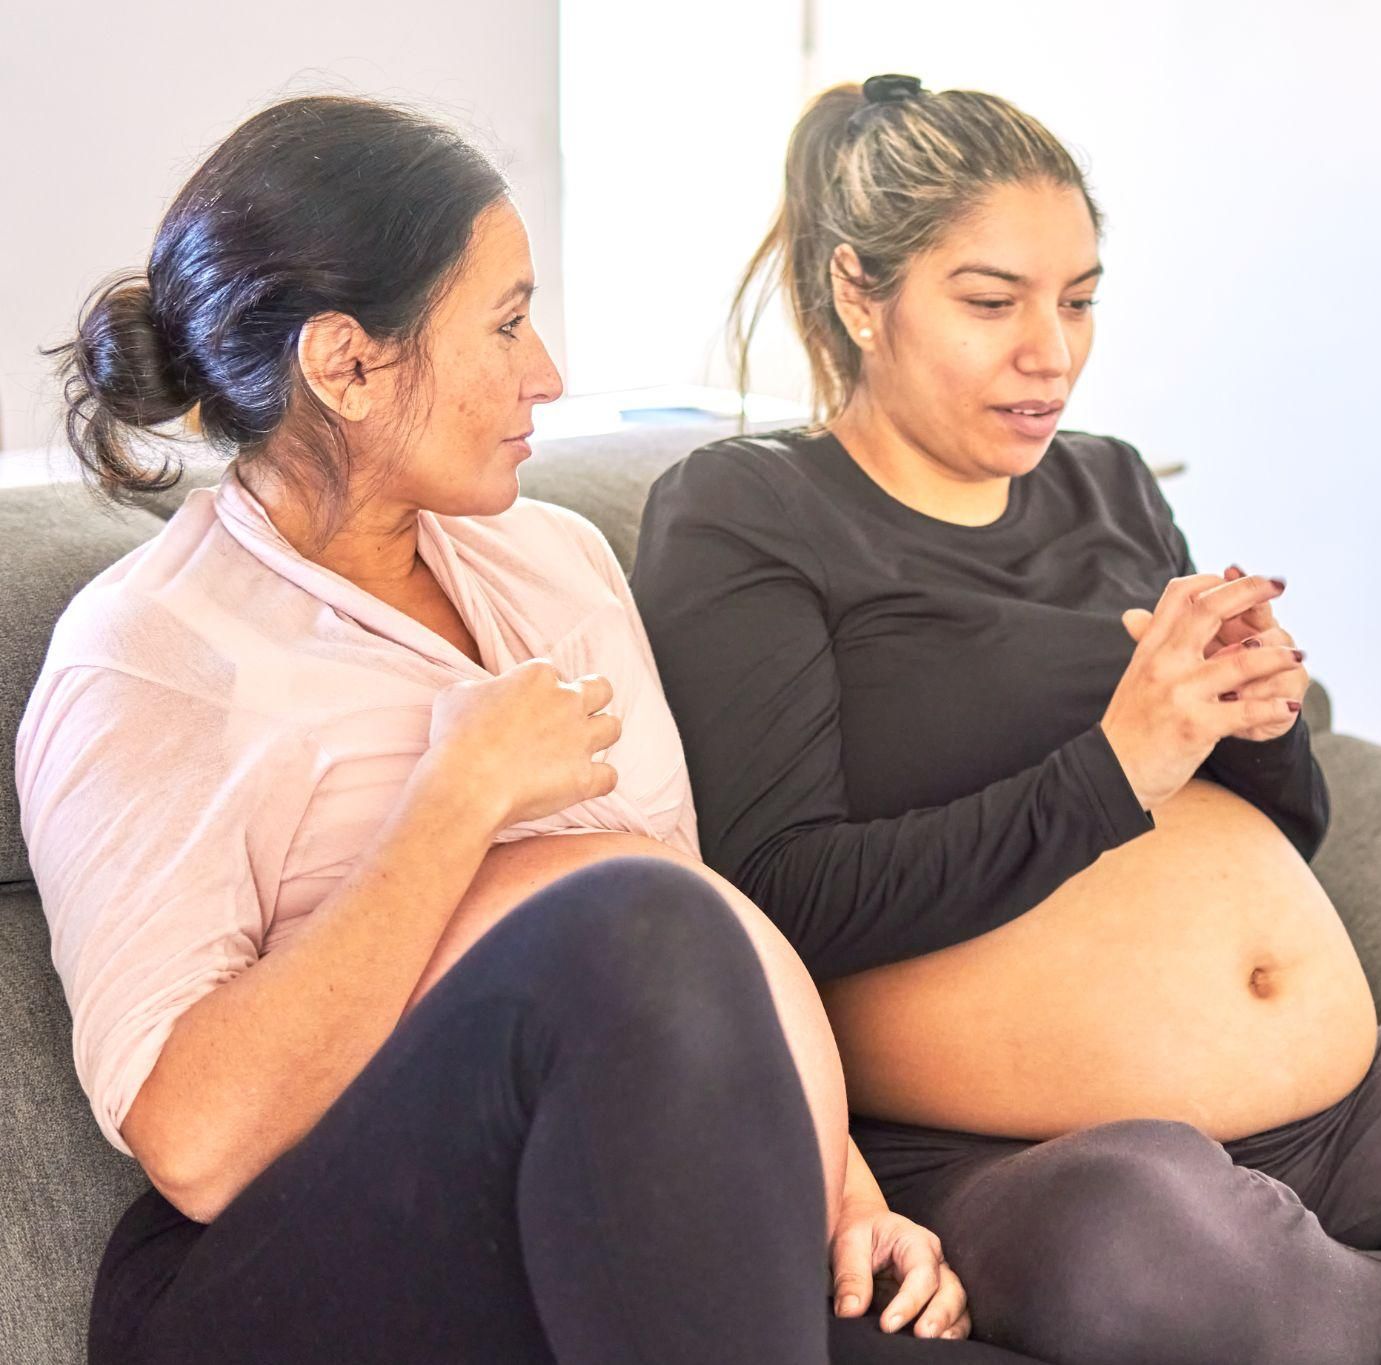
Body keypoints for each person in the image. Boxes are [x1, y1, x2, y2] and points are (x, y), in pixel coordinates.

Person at [629, 74, 1381, 1365]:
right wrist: (1122, 762)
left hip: (1345, 1112)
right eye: (991, 301)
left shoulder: (1104, 482)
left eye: (1081, 297)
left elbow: (1277, 828)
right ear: (857, 290)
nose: (1049, 350)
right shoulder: (748, 510)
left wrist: (1258, 716)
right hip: (1028, 1152)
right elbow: (774, 891)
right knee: (1139, 1234)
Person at [19, 94, 1042, 1365]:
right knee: (629, 921)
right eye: (504, 323)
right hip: (290, 1282)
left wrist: (844, 1191)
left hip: (649, 1219)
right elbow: (199, 1143)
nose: (546, 373)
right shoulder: (154, 652)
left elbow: (705, 936)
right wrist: (454, 799)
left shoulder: (553, 559)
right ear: (344, 365)